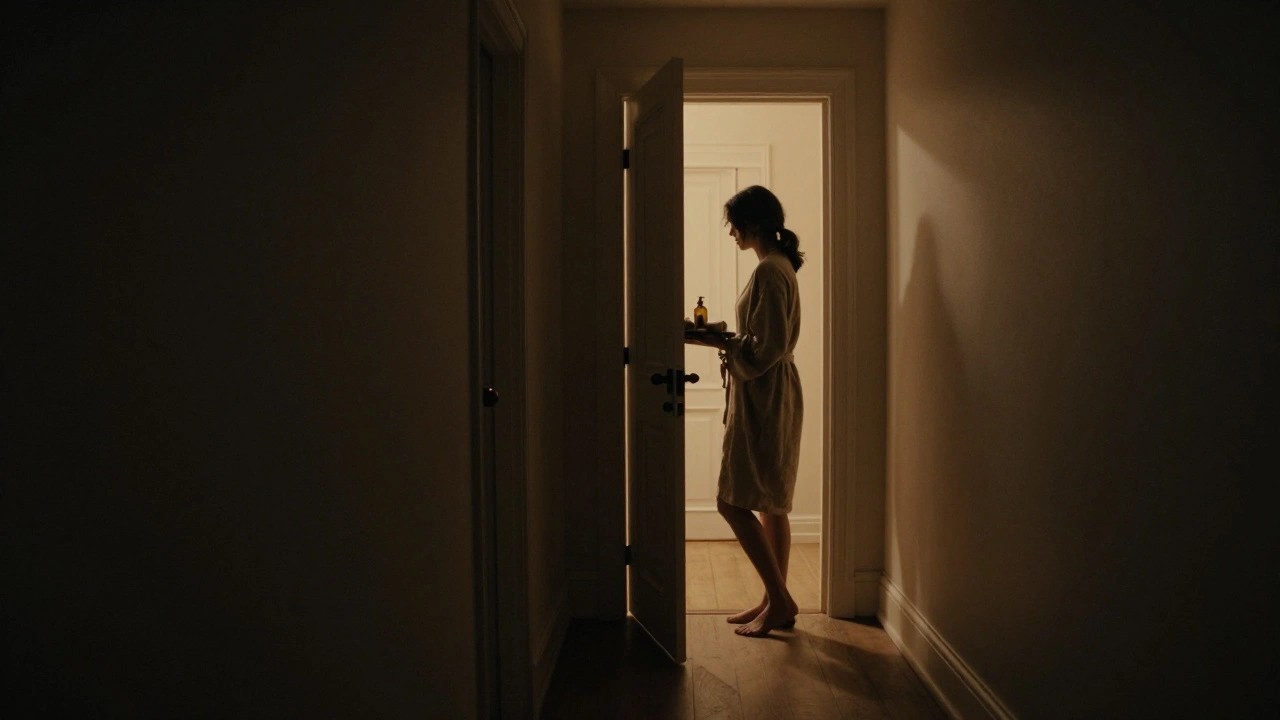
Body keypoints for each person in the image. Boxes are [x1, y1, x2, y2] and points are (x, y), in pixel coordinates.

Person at [686, 185, 805, 637]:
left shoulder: (770, 271)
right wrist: (723, 336)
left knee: (731, 501)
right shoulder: (778, 266)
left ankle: (779, 598)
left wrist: (718, 342)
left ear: (753, 223)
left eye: (734, 224)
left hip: (765, 394)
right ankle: (775, 600)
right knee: (772, 502)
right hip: (772, 389)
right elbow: (765, 340)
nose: (731, 232)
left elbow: (766, 348)